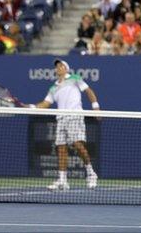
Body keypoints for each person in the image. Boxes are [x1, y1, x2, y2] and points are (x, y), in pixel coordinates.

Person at [26, 59, 99, 190]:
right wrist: (32, 107)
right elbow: (45, 104)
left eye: (61, 66)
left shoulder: (75, 78)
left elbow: (89, 91)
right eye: (57, 66)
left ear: (66, 69)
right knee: (61, 149)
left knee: (77, 144)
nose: (58, 68)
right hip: (61, 119)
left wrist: (96, 107)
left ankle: (91, 173)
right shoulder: (53, 87)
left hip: (75, 115)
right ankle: (62, 180)